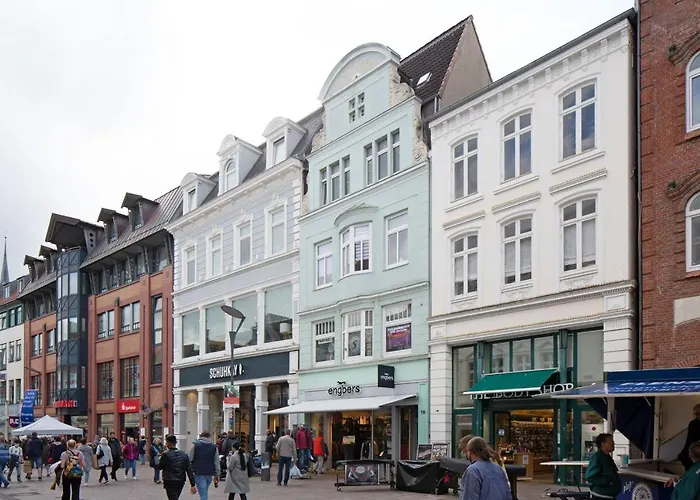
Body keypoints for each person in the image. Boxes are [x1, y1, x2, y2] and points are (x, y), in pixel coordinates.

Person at [155, 434, 196, 500]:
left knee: (173, 497)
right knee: (175, 497)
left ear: (168, 443)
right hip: (180, 480)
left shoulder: (165, 454)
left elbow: (159, 466)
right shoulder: (184, 454)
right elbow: (189, 469)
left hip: (169, 480)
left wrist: (162, 454)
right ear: (176, 443)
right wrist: (192, 484)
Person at [585, 433, 622, 499]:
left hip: (609, 496)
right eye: (611, 441)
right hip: (601, 496)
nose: (613, 444)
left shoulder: (607, 457)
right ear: (603, 444)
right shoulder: (597, 457)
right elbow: (590, 477)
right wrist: (606, 481)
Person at [187, 430, 220, 500]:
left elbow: (190, 458)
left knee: (203, 494)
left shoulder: (195, 445)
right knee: (204, 492)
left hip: (198, 472)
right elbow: (216, 461)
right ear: (209, 437)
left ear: (201, 436)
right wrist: (217, 473)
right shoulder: (214, 447)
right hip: (209, 473)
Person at [679, 404, 700, 471]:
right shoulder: (693, 423)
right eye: (695, 414)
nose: (696, 416)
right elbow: (690, 440)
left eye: (698, 414)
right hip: (693, 449)